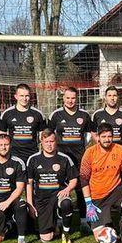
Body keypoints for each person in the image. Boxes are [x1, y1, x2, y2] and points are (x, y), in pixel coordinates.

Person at [79, 123, 122, 243]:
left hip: (116, 191)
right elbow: (84, 180)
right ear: (98, 137)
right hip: (97, 198)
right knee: (102, 239)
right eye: (104, 136)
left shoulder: (120, 150)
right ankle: (106, 223)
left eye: (109, 136)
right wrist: (88, 203)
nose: (107, 139)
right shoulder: (90, 153)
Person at [48, 87, 92, 234]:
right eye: (67, 98)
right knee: (59, 188)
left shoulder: (84, 115)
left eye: (73, 98)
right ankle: (59, 220)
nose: (70, 101)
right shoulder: (56, 115)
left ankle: (84, 221)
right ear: (63, 98)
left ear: (77, 99)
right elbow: (50, 136)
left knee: (81, 188)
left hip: (79, 158)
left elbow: (88, 136)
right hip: (60, 159)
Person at [26, 129, 78, 243]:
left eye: (52, 141)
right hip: (42, 199)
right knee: (46, 238)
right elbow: (29, 183)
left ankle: (66, 233)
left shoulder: (64, 158)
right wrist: (30, 204)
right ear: (41, 142)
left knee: (66, 204)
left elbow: (74, 180)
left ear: (56, 141)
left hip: (59, 195)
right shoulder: (33, 159)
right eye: (46, 142)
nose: (49, 144)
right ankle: (56, 225)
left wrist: (67, 189)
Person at [0, 83, 46, 163]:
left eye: (27, 96)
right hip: (13, 155)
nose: (24, 99)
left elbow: (44, 137)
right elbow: (1, 137)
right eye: (21, 96)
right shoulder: (7, 114)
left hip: (32, 155)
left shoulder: (38, 114)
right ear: (16, 96)